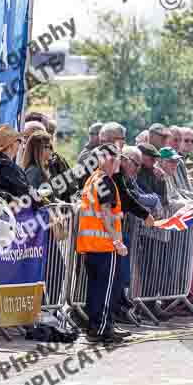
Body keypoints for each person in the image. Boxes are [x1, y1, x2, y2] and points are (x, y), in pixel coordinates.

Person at [76, 144, 128, 344]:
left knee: (96, 289)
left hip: (91, 245)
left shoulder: (93, 179)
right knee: (106, 289)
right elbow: (106, 213)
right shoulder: (104, 180)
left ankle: (95, 328)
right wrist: (117, 241)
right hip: (104, 245)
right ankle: (103, 328)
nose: (119, 162)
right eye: (117, 158)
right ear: (108, 158)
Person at [0, 125, 32, 202]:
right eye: (19, 140)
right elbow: (24, 193)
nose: (21, 144)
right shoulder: (7, 166)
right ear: (11, 144)